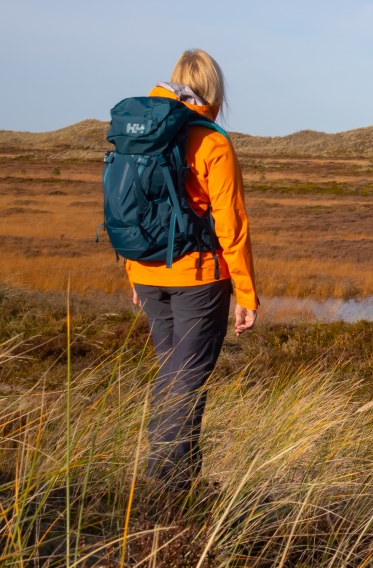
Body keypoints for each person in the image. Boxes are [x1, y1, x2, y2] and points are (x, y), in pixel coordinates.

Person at [125, 49, 259, 491]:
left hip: (146, 274)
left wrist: (133, 273)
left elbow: (129, 209)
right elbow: (231, 225)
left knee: (176, 377)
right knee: (184, 382)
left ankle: (179, 482)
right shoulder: (212, 142)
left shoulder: (139, 134)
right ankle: (164, 489)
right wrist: (246, 294)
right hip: (198, 279)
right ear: (213, 89)